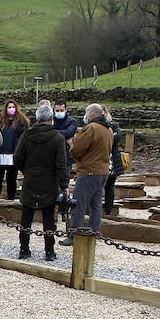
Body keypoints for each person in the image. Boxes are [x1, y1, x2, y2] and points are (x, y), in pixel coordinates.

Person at [13, 104, 70, 260]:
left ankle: (24, 249)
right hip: (49, 180)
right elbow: (61, 164)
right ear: (51, 119)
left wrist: (27, 171)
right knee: (48, 217)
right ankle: (49, 251)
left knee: (26, 216)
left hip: (31, 178)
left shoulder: (26, 136)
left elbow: (17, 158)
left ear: (37, 119)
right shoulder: (58, 138)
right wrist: (64, 185)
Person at [60, 103, 112, 245]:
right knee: (96, 205)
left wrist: (72, 145)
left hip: (88, 171)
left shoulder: (91, 129)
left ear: (91, 114)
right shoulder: (107, 129)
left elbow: (77, 149)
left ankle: (73, 234)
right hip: (102, 171)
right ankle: (93, 232)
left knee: (79, 204)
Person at [0, 101, 29, 201]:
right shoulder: (0, 121)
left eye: (13, 107)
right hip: (1, 153)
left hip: (13, 153)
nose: (11, 109)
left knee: (11, 178)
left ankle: (11, 198)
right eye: (9, 107)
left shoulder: (21, 122)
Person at [101, 107, 125, 217]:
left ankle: (108, 211)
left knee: (110, 186)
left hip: (112, 160)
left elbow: (118, 137)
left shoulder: (114, 125)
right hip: (101, 159)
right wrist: (111, 135)